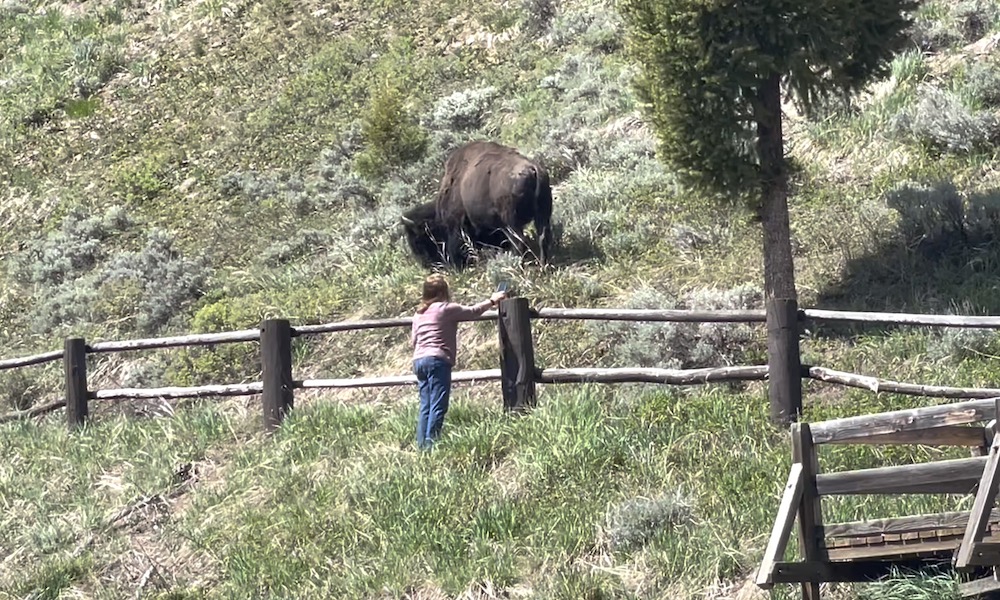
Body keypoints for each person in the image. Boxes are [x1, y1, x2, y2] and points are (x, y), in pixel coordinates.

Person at [410, 274, 507, 450]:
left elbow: (413, 340)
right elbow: (472, 312)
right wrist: (492, 301)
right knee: (439, 404)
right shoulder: (445, 309)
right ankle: (431, 446)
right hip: (437, 359)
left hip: (419, 360)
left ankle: (422, 446)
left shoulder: (419, 314)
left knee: (426, 405)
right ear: (443, 291)